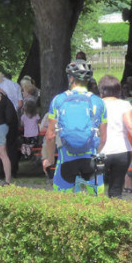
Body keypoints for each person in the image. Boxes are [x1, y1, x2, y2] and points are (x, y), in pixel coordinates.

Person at [43, 60, 108, 194]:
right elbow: (103, 138)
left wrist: (50, 159)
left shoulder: (58, 100)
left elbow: (50, 135)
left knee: (61, 205)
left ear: (71, 78)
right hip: (90, 159)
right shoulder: (99, 102)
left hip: (66, 158)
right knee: (96, 203)